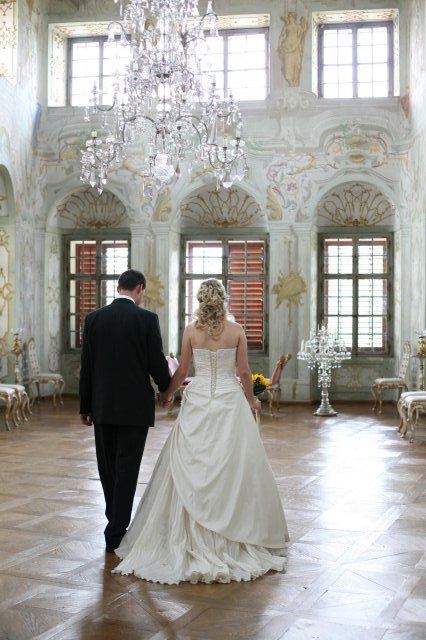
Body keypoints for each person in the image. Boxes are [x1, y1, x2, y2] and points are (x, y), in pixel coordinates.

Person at [112, 278, 289, 584]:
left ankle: (189, 532)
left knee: (194, 459)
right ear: (223, 299)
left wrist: (167, 394)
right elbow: (244, 371)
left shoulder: (192, 330)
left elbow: (182, 371)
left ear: (201, 300)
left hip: (198, 400)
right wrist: (251, 400)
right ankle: (234, 527)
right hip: (229, 400)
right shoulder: (236, 330)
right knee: (232, 463)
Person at [79, 269, 171, 553]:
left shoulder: (94, 319)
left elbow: (87, 367)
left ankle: (114, 523)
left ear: (119, 287)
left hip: (103, 406)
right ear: (140, 288)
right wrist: (166, 389)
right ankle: (117, 530)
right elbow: (156, 362)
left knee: (107, 469)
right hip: (135, 408)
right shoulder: (147, 319)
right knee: (127, 469)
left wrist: (85, 406)